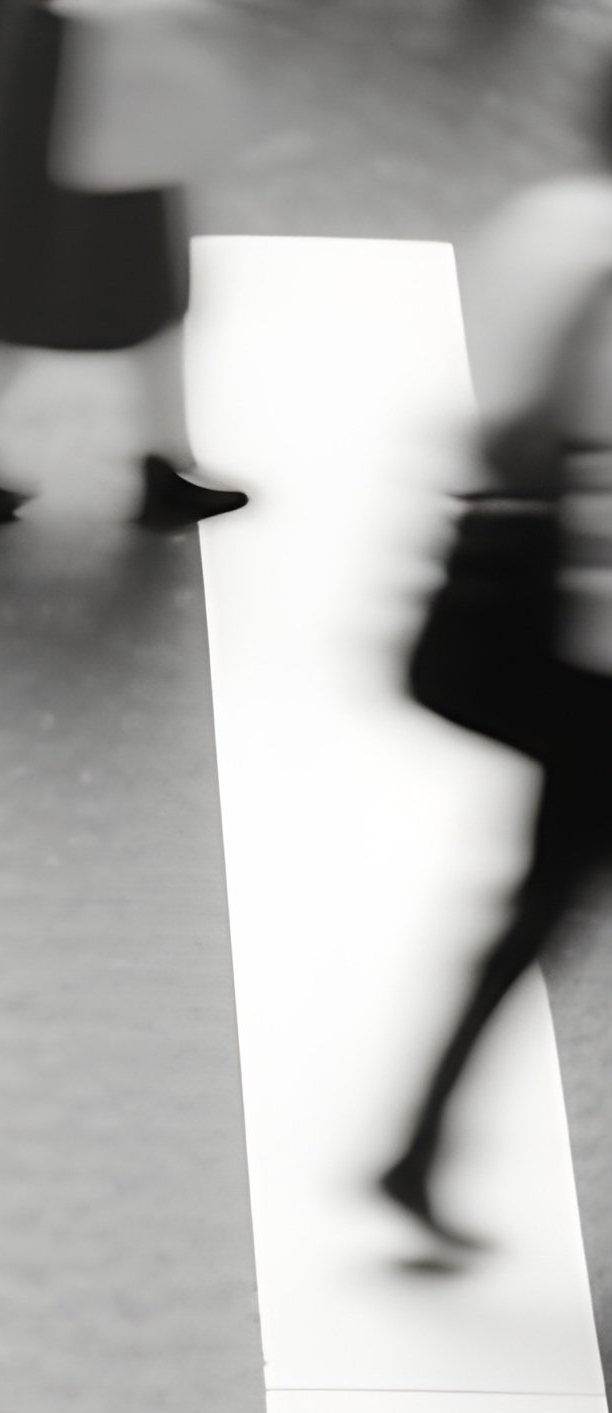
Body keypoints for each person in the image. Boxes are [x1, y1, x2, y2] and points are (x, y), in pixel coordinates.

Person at [381, 108, 612, 1252]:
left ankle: (417, 1141)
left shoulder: (552, 220)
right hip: (593, 649)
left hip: (552, 632)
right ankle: (415, 1142)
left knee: (538, 905)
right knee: (539, 905)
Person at [0, 0, 248, 529]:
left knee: (67, 268)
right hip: (86, 63)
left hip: (77, 53)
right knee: (83, 268)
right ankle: (151, 461)